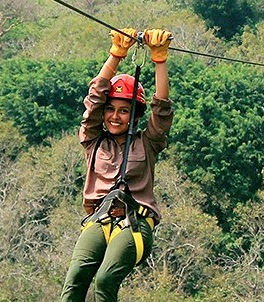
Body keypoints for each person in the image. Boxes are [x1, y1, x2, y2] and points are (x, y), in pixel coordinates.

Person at [60, 27, 173, 301]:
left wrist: (159, 60)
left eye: (124, 111)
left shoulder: (147, 143)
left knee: (105, 279)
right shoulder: (93, 140)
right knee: (75, 277)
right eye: (111, 109)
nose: (115, 116)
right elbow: (95, 98)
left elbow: (162, 109)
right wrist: (116, 55)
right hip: (100, 218)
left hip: (136, 222)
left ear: (134, 116)